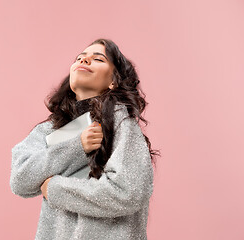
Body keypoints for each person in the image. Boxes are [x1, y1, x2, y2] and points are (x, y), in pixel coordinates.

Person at [10, 38, 160, 240]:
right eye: (79, 58)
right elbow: (20, 179)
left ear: (113, 80)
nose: (84, 60)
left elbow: (129, 192)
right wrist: (77, 146)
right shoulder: (49, 129)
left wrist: (56, 189)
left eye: (98, 59)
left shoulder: (120, 122)